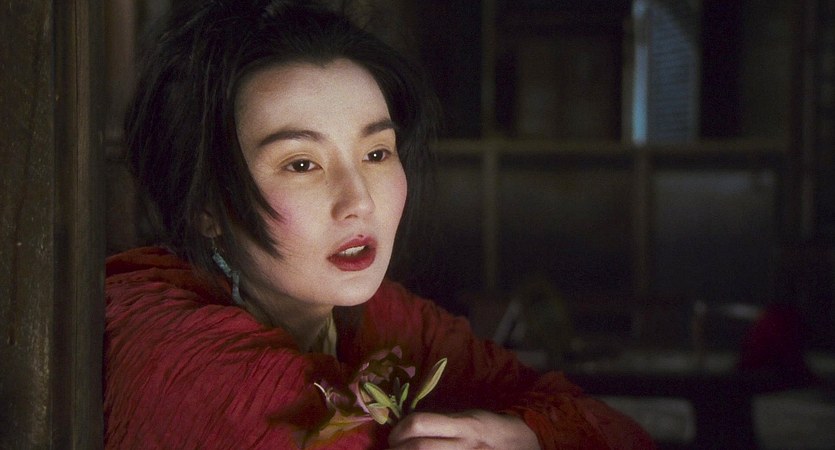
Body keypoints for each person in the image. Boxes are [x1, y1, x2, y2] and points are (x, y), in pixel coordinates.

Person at [104, 1, 656, 448]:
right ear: (205, 206)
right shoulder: (175, 354)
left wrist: (524, 436)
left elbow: (615, 431)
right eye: (302, 165)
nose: (359, 201)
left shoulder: (375, 318)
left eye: (376, 153)